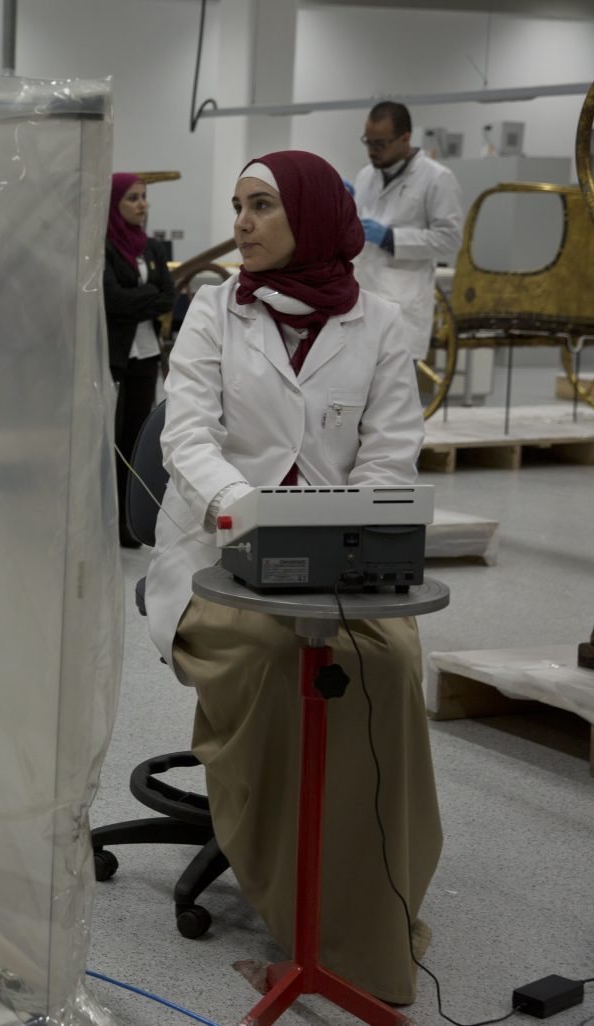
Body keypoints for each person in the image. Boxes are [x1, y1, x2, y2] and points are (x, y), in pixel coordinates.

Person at [145, 150, 438, 1005]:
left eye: (262, 206)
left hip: (343, 565)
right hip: (216, 564)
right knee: (283, 660)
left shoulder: (380, 324)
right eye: (238, 205)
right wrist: (255, 519)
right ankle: (293, 897)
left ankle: (373, 909)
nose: (241, 223)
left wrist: (338, 530)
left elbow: (389, 455)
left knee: (388, 663)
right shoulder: (215, 311)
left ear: (310, 215)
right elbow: (187, 439)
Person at [352, 101, 462, 363]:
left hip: (403, 302)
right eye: (368, 142)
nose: (372, 151)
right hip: (362, 295)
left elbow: (449, 238)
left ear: (405, 138)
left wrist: (391, 238)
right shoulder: (366, 175)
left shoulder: (437, 178)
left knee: (396, 383)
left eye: (380, 144)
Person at [104, 172, 176, 548]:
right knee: (112, 441)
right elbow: (110, 300)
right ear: (114, 204)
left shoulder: (153, 248)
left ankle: (130, 523)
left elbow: (169, 296)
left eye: (144, 196)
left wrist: (139, 298)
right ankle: (108, 520)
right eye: (132, 198)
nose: (142, 204)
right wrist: (148, 295)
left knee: (137, 441)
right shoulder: (104, 247)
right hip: (116, 357)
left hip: (146, 357)